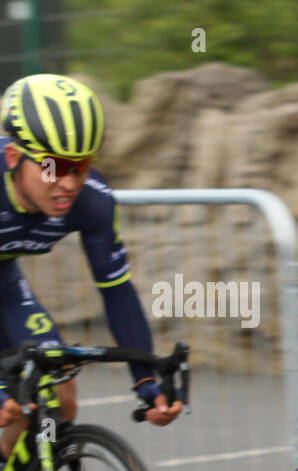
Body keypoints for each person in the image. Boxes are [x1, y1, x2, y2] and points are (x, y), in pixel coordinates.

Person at [0, 73, 183, 446]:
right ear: (13, 156)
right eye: (53, 166)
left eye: (79, 167)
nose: (68, 183)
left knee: (58, 398)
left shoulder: (92, 203)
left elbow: (117, 291)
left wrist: (146, 379)